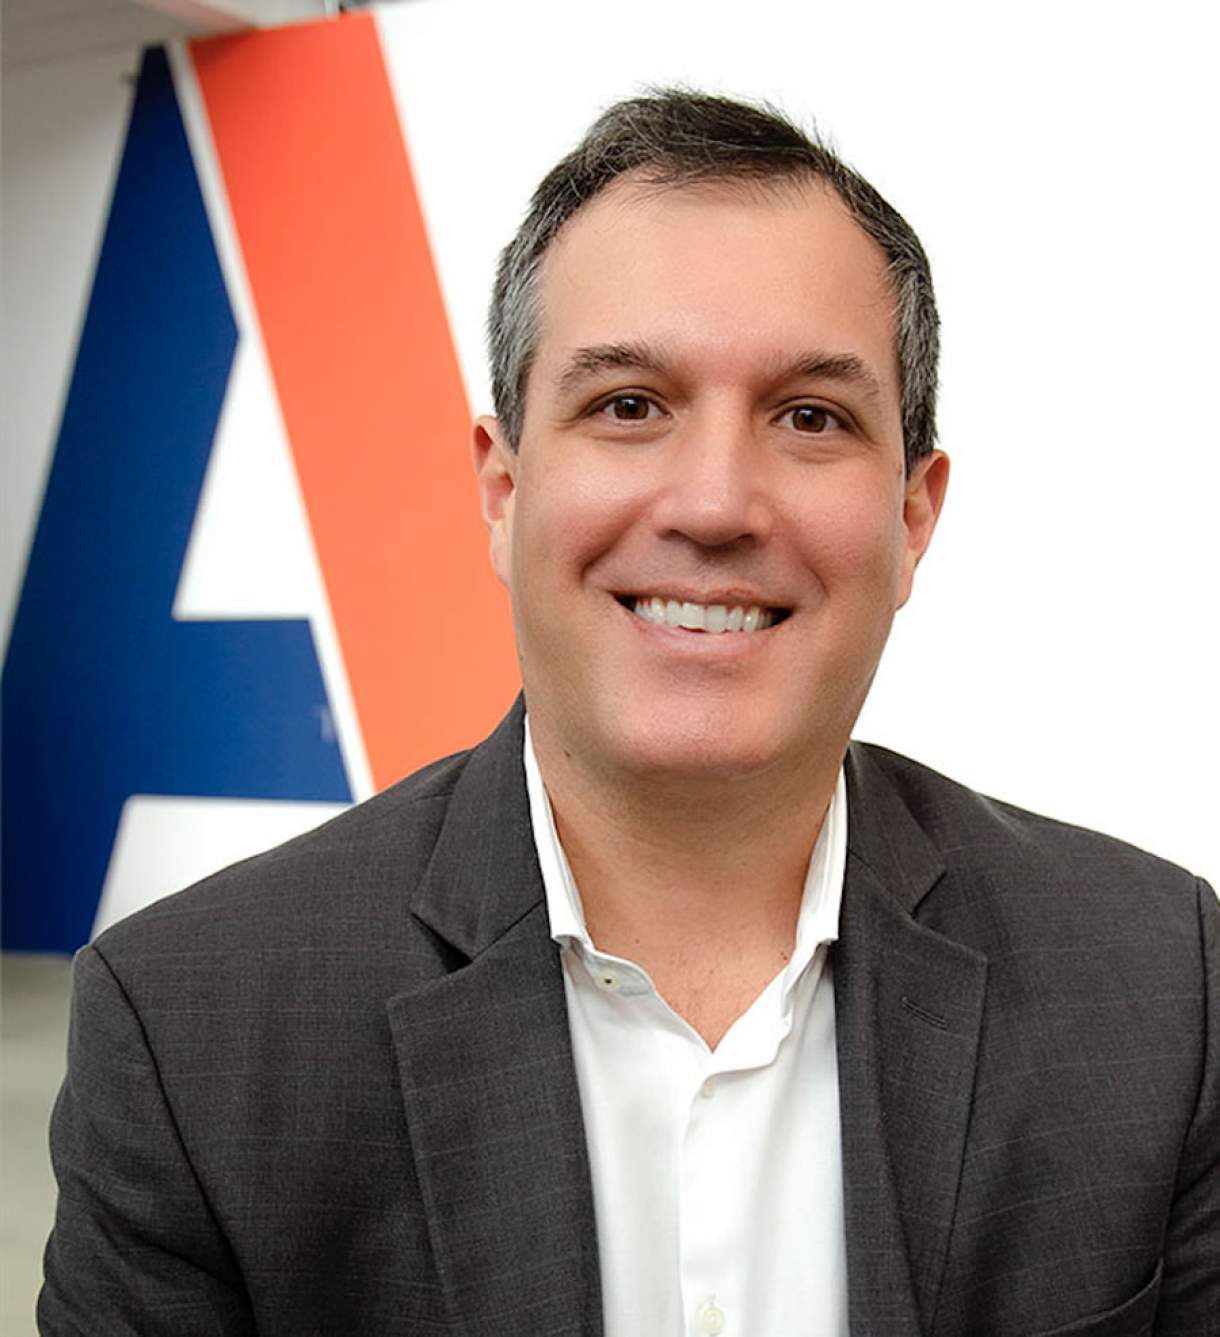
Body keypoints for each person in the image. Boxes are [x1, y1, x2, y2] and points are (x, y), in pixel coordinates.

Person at [39, 91, 1216, 1337]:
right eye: (629, 404)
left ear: (911, 515)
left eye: (809, 416)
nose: (713, 504)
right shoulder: (189, 1030)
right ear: (503, 490)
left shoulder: (1160, 986)